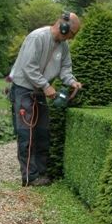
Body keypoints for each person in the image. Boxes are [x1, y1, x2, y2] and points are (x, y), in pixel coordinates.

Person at [9, 12, 82, 187]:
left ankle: (40, 174)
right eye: (71, 35)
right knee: (26, 134)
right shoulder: (37, 37)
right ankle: (29, 177)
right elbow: (29, 66)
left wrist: (72, 81)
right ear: (64, 27)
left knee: (42, 133)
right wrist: (46, 85)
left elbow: (65, 68)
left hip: (40, 91)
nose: (70, 39)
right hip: (23, 90)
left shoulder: (63, 46)